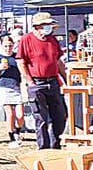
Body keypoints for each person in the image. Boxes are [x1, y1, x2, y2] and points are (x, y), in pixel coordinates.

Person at [18, 10, 68, 149]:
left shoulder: (52, 40)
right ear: (37, 27)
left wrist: (66, 79)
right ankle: (43, 148)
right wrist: (30, 81)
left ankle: (55, 145)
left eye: (50, 25)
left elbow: (58, 62)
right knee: (41, 118)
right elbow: (21, 62)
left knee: (59, 116)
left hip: (53, 82)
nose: (49, 28)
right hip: (37, 82)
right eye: (46, 25)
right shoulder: (26, 40)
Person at [0, 37, 27, 145]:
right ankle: (11, 137)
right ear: (1, 46)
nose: (8, 48)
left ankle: (17, 131)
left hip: (16, 86)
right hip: (3, 87)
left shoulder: (16, 57)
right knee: (10, 113)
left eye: (10, 45)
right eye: (5, 46)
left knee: (20, 115)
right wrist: (0, 68)